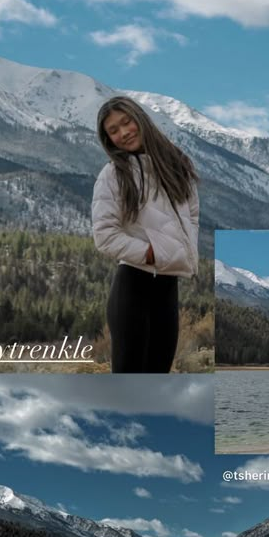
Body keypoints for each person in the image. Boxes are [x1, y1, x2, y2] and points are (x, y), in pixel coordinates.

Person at [92, 96, 199, 374]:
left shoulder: (176, 164)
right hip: (133, 287)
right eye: (113, 130)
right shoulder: (113, 174)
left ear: (140, 119)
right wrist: (150, 253)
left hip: (168, 288)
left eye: (126, 122)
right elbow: (104, 234)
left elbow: (193, 215)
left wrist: (183, 251)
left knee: (158, 379)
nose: (123, 133)